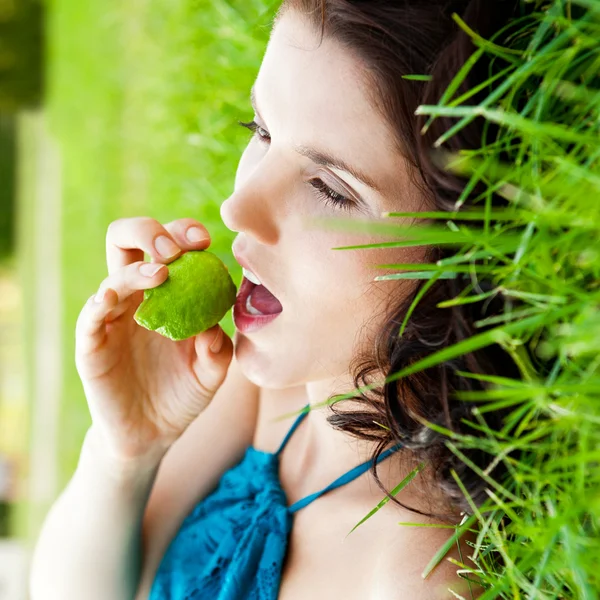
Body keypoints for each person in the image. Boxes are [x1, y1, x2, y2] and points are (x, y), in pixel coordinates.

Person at [29, 0, 523, 598]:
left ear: (458, 254)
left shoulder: (409, 575)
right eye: (262, 130)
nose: (236, 208)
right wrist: (126, 452)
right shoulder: (265, 394)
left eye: (329, 188)